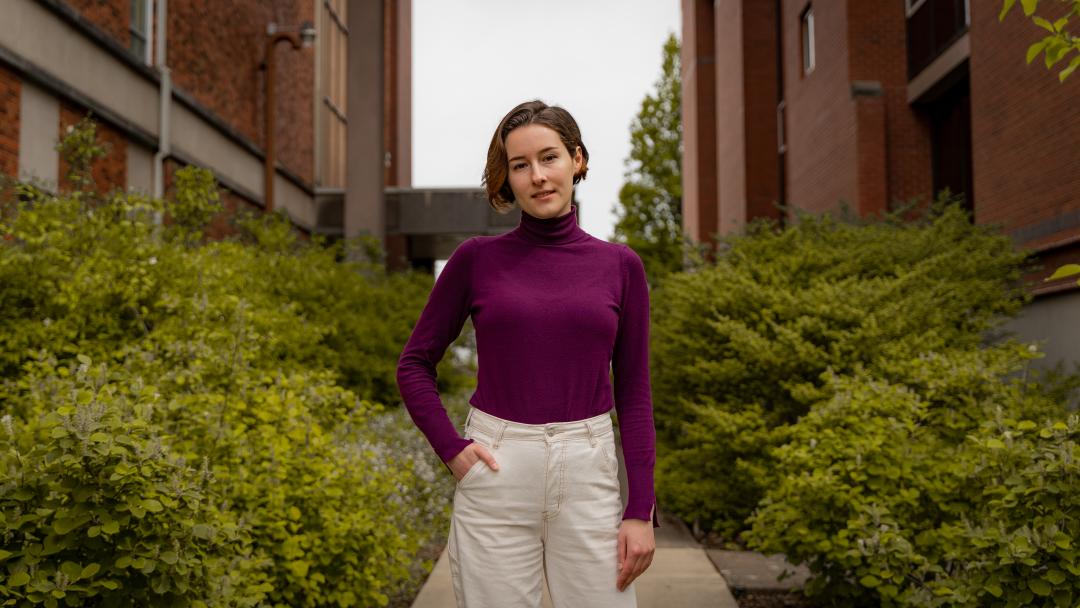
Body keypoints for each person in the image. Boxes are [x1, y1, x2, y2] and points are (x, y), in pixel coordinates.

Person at [396, 99, 658, 608]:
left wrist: (639, 509)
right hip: (496, 469)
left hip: (590, 472)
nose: (537, 176)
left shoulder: (620, 266)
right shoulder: (476, 260)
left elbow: (635, 393)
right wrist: (452, 449)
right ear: (508, 178)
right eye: (521, 165)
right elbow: (414, 363)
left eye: (549, 157)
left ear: (577, 159)